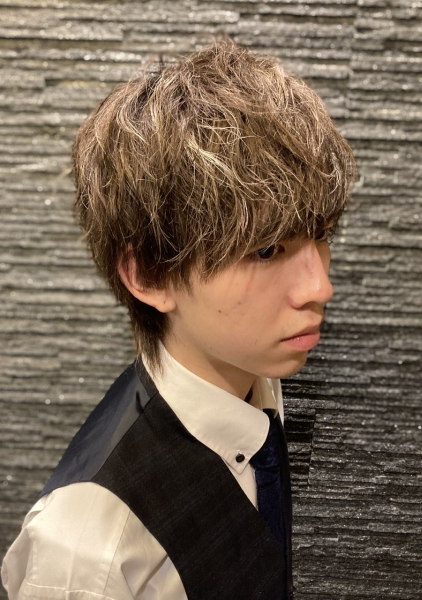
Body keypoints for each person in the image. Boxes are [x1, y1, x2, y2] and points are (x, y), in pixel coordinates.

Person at [1, 37, 355, 600]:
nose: (320, 287)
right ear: (150, 274)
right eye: (266, 250)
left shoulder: (255, 377)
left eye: (321, 235)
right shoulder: (87, 554)